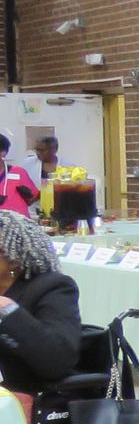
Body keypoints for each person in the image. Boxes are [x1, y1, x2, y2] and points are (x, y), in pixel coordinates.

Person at [0, 212, 81, 393]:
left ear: (13, 260)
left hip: (21, 397)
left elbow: (58, 360)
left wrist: (7, 310)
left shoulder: (52, 288)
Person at [0, 135, 39, 218]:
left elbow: (32, 199)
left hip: (19, 226)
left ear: (3, 152)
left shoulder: (18, 172)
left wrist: (29, 196)